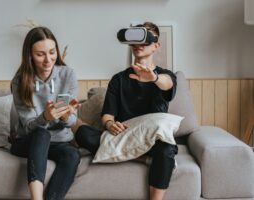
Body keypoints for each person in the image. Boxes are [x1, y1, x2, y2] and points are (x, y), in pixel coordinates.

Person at [75, 22, 178, 200]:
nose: (138, 45)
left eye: (145, 40)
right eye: (135, 40)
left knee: (166, 148)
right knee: (83, 134)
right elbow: (108, 114)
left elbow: (167, 83)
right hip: (124, 137)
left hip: (154, 139)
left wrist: (152, 78)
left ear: (156, 45)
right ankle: (142, 158)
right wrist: (109, 124)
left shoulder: (164, 76)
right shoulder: (118, 79)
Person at [10, 26, 80, 200]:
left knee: (72, 155)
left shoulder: (67, 75)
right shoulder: (20, 82)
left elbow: (71, 121)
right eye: (40, 54)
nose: (48, 60)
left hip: (59, 142)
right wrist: (46, 117)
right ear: (30, 56)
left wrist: (65, 117)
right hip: (28, 140)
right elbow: (28, 127)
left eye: (52, 52)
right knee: (42, 134)